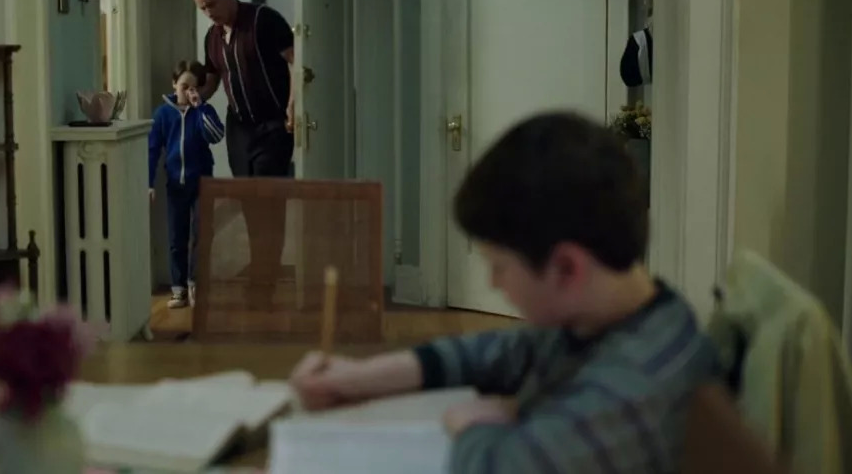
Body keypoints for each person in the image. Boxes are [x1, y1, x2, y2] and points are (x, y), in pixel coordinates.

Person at [289, 112, 722, 472]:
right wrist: (356, 378)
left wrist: (471, 426)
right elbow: (500, 353)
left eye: (498, 267)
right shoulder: (617, 315)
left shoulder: (632, 387)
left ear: (566, 268)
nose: (493, 283)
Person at [191, 0, 295, 305]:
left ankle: (264, 282)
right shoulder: (212, 37)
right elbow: (212, 80)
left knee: (268, 203)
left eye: (211, 4)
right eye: (202, 8)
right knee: (249, 202)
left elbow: (297, 62)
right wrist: (196, 96)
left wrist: (294, 104)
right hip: (239, 128)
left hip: (272, 125)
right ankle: (260, 272)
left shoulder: (264, 20)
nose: (208, 12)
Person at [148, 61, 225, 309]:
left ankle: (196, 284)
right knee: (176, 238)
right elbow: (152, 150)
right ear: (174, 84)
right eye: (184, 86)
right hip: (175, 185)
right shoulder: (162, 114)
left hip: (203, 183)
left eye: (194, 88)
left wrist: (200, 108)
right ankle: (178, 288)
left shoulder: (204, 111)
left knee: (202, 234)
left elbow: (216, 136)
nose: (189, 92)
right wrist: (149, 183)